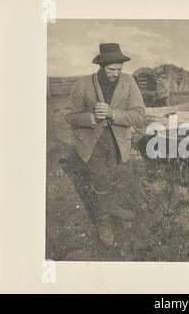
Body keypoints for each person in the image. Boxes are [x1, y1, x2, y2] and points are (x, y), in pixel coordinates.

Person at [65, 43, 145, 246]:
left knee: (115, 177)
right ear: (101, 66)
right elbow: (70, 115)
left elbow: (139, 115)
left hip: (119, 143)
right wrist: (91, 118)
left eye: (120, 69)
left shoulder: (129, 82)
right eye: (111, 69)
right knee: (100, 183)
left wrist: (113, 114)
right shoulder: (83, 85)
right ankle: (103, 223)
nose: (116, 74)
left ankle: (113, 207)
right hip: (93, 144)